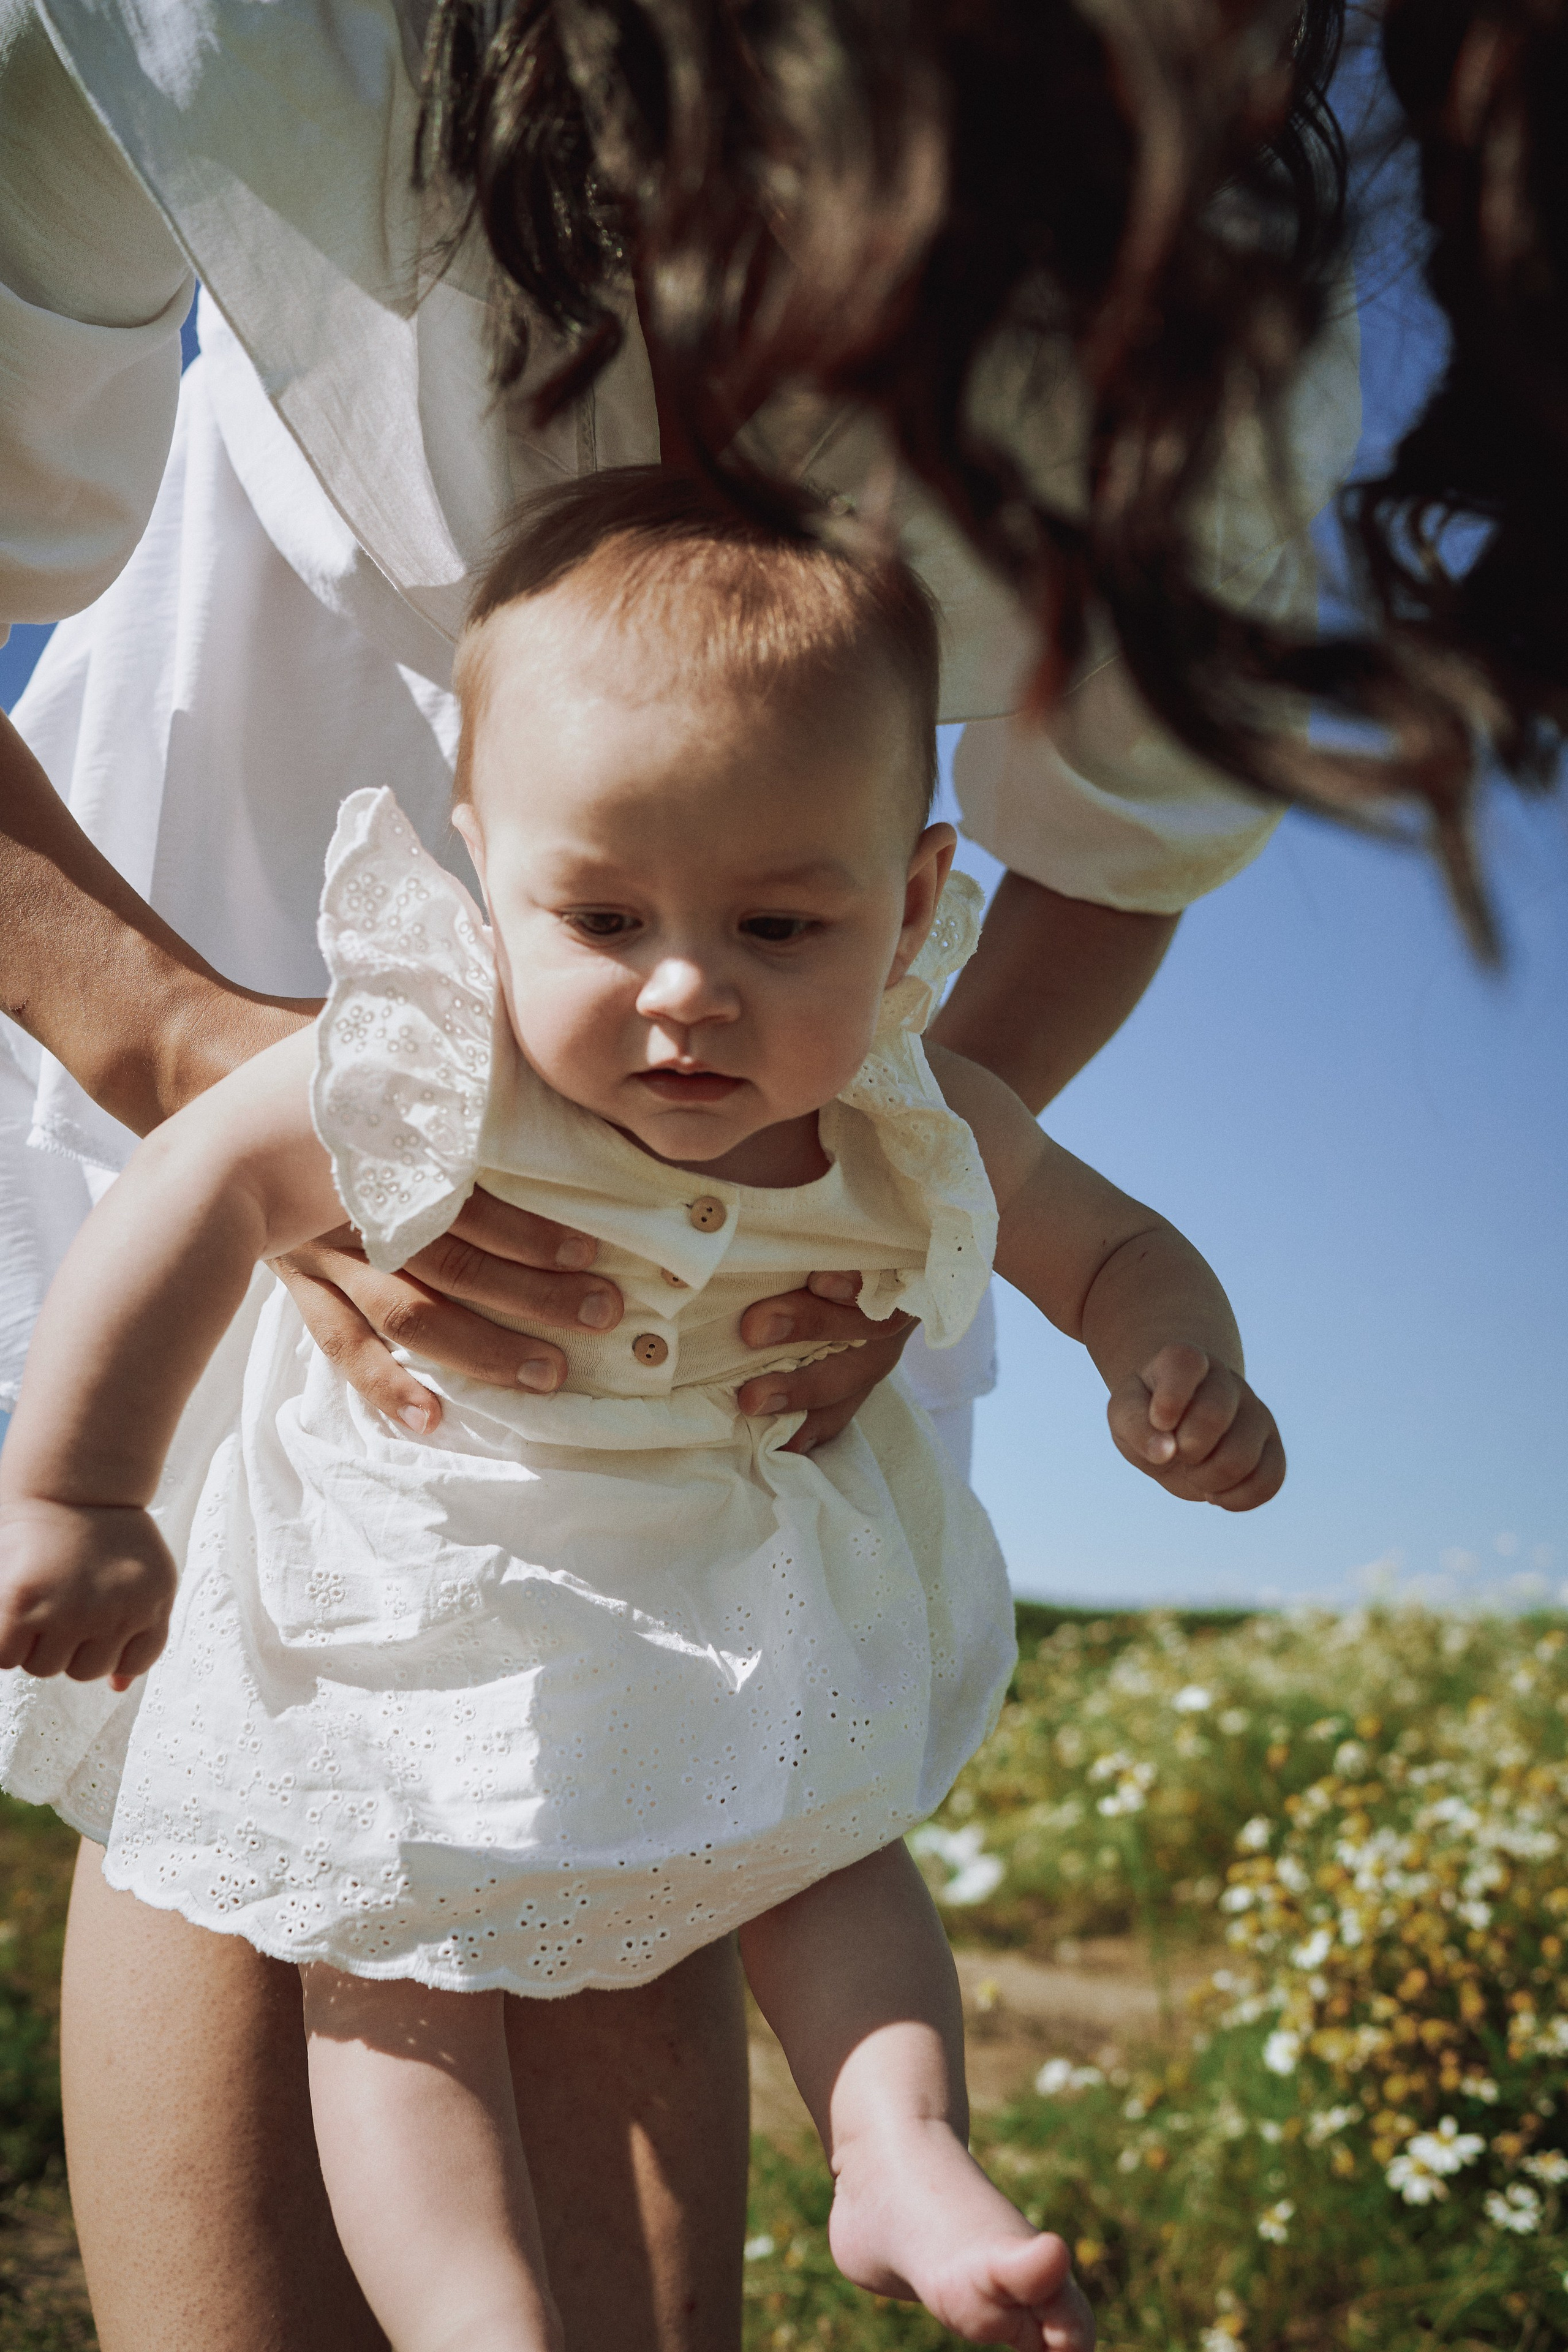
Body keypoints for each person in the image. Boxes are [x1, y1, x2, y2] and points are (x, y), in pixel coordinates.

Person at [0, 2, 1357, 2342]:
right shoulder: (432, 1032)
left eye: (784, 953)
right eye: (620, 941)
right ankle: (473, 2312)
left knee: (800, 1826)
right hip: (364, 880)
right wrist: (84, 1481)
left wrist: (1064, 1301)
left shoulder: (879, 1061)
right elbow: (204, 1195)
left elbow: (1089, 1180)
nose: (683, 1001)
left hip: (780, 888)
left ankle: (896, 2144)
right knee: (339, 1900)